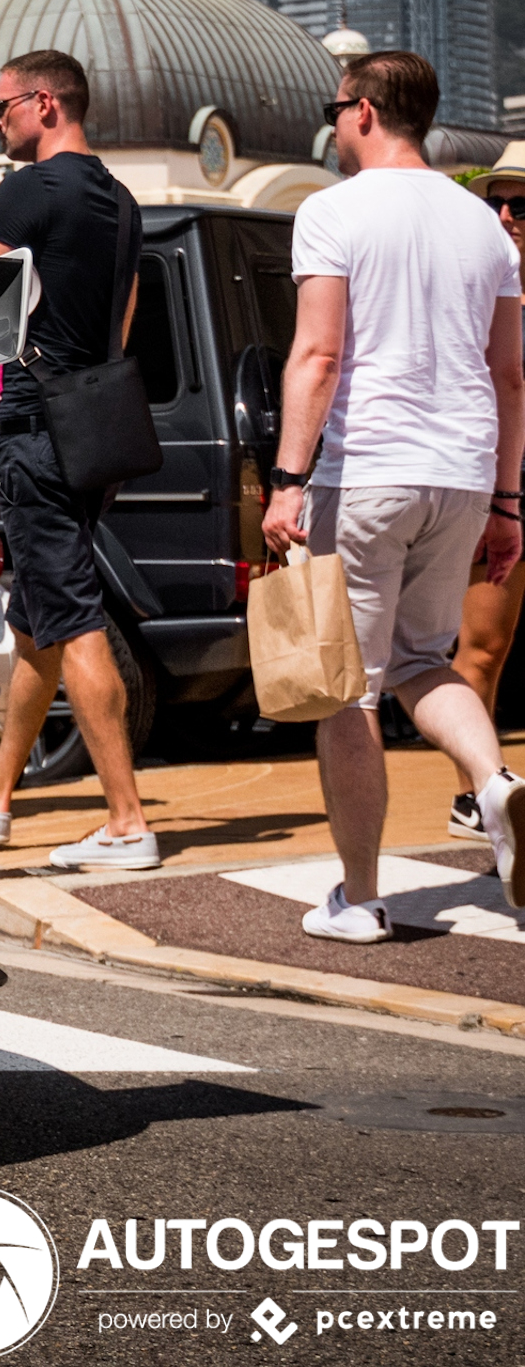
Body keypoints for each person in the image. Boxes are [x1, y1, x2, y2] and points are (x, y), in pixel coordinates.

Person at [263, 51, 523, 940]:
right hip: (461, 473)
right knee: (422, 658)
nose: (333, 126)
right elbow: (511, 375)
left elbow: (319, 356)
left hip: (368, 470)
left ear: (366, 111)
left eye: (336, 110)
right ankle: (496, 788)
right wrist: (508, 501)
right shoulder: (486, 226)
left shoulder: (332, 211)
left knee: (350, 688)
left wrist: (289, 479)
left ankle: (361, 896)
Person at [0, 50, 156, 867]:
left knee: (72, 619)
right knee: (40, 623)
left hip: (36, 426)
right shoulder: (121, 199)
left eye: (1, 108)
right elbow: (123, 315)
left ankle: (126, 822)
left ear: (43, 103)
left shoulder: (29, 189)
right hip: (93, 425)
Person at [447, 143, 525, 846]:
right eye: (497, 200)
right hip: (504, 488)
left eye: (521, 202)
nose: (506, 214)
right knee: (481, 647)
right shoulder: (482, 287)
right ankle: (477, 792)